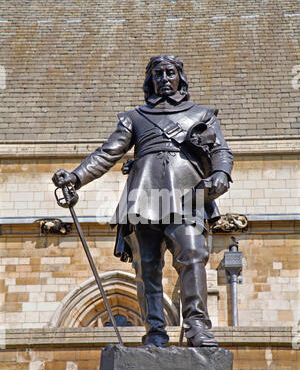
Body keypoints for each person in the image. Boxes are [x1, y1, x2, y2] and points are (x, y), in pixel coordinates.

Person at [52, 55, 233, 348]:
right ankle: (155, 332)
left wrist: (222, 173)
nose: (164, 79)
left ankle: (197, 327)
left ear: (179, 77)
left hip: (188, 196)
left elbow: (221, 151)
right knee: (147, 266)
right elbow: (106, 154)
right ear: (150, 80)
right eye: (158, 74)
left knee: (193, 255)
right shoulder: (134, 117)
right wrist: (75, 177)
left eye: (169, 73)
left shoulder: (202, 116)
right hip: (143, 197)